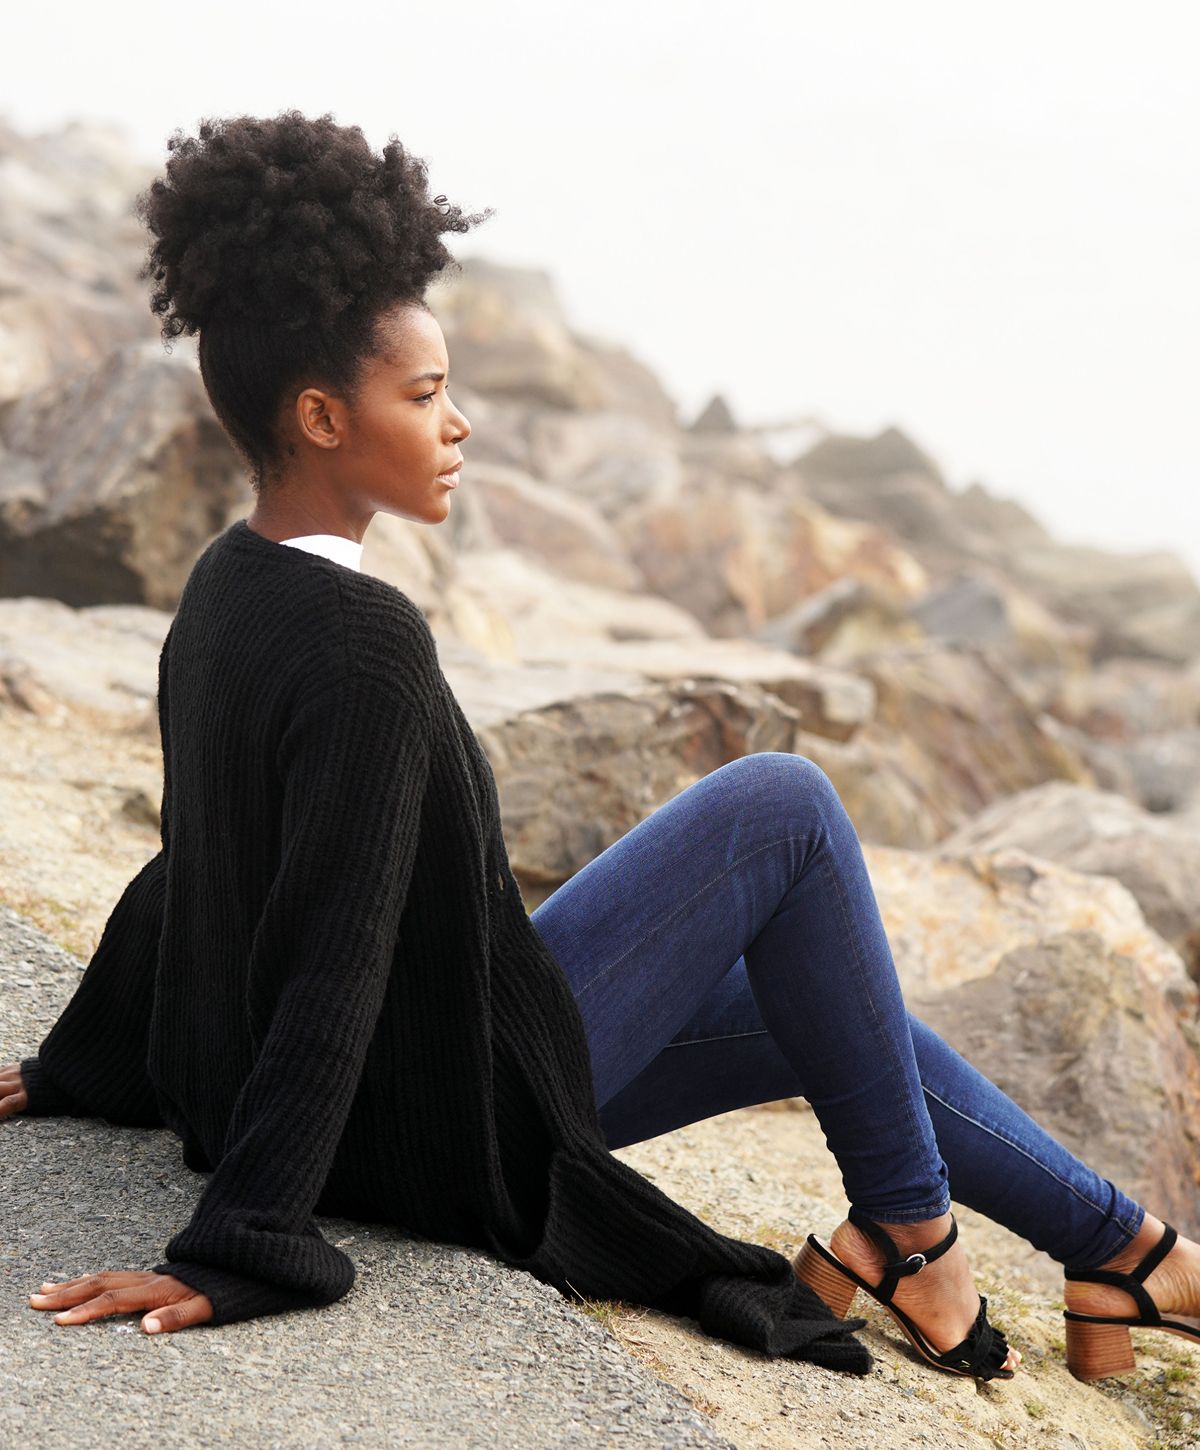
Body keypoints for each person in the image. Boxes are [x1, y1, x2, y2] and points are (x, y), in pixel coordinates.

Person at [3, 111, 1198, 1388]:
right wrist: (241, 1238)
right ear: (320, 416)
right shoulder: (364, 643)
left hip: (409, 1075)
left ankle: (1114, 1250)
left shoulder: (226, 585)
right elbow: (332, 954)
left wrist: (79, 1061)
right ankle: (925, 1235)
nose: (461, 424)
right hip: (436, 1118)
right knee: (784, 805)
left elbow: (199, 867)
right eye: (423, 395)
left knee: (834, 1007)